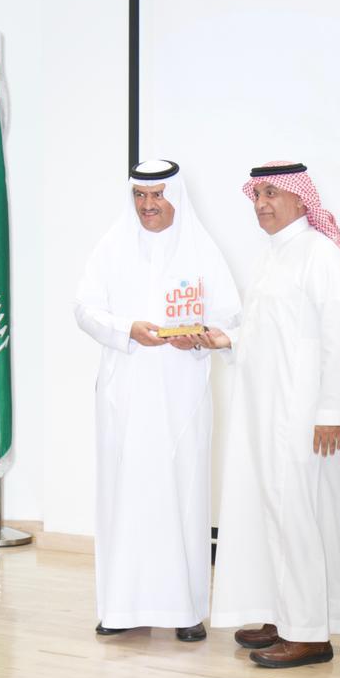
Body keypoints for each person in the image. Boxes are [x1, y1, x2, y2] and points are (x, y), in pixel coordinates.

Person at [206, 161, 340, 668]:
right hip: (264, 409)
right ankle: (283, 615)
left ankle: (309, 634)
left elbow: (335, 339)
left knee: (299, 515)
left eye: (271, 193)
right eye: (256, 195)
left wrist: (330, 412)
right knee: (271, 512)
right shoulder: (271, 255)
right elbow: (265, 331)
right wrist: (227, 339)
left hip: (303, 414)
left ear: (302, 200)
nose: (261, 204)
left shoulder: (320, 255)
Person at [74, 159, 241, 641]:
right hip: (124, 393)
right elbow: (84, 309)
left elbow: (230, 318)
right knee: (123, 494)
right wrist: (127, 328)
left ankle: (186, 611)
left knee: (182, 492)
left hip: (181, 393)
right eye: (140, 196)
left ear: (176, 197)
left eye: (158, 196)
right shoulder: (112, 246)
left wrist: (202, 337)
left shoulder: (203, 250)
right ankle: (120, 608)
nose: (148, 205)